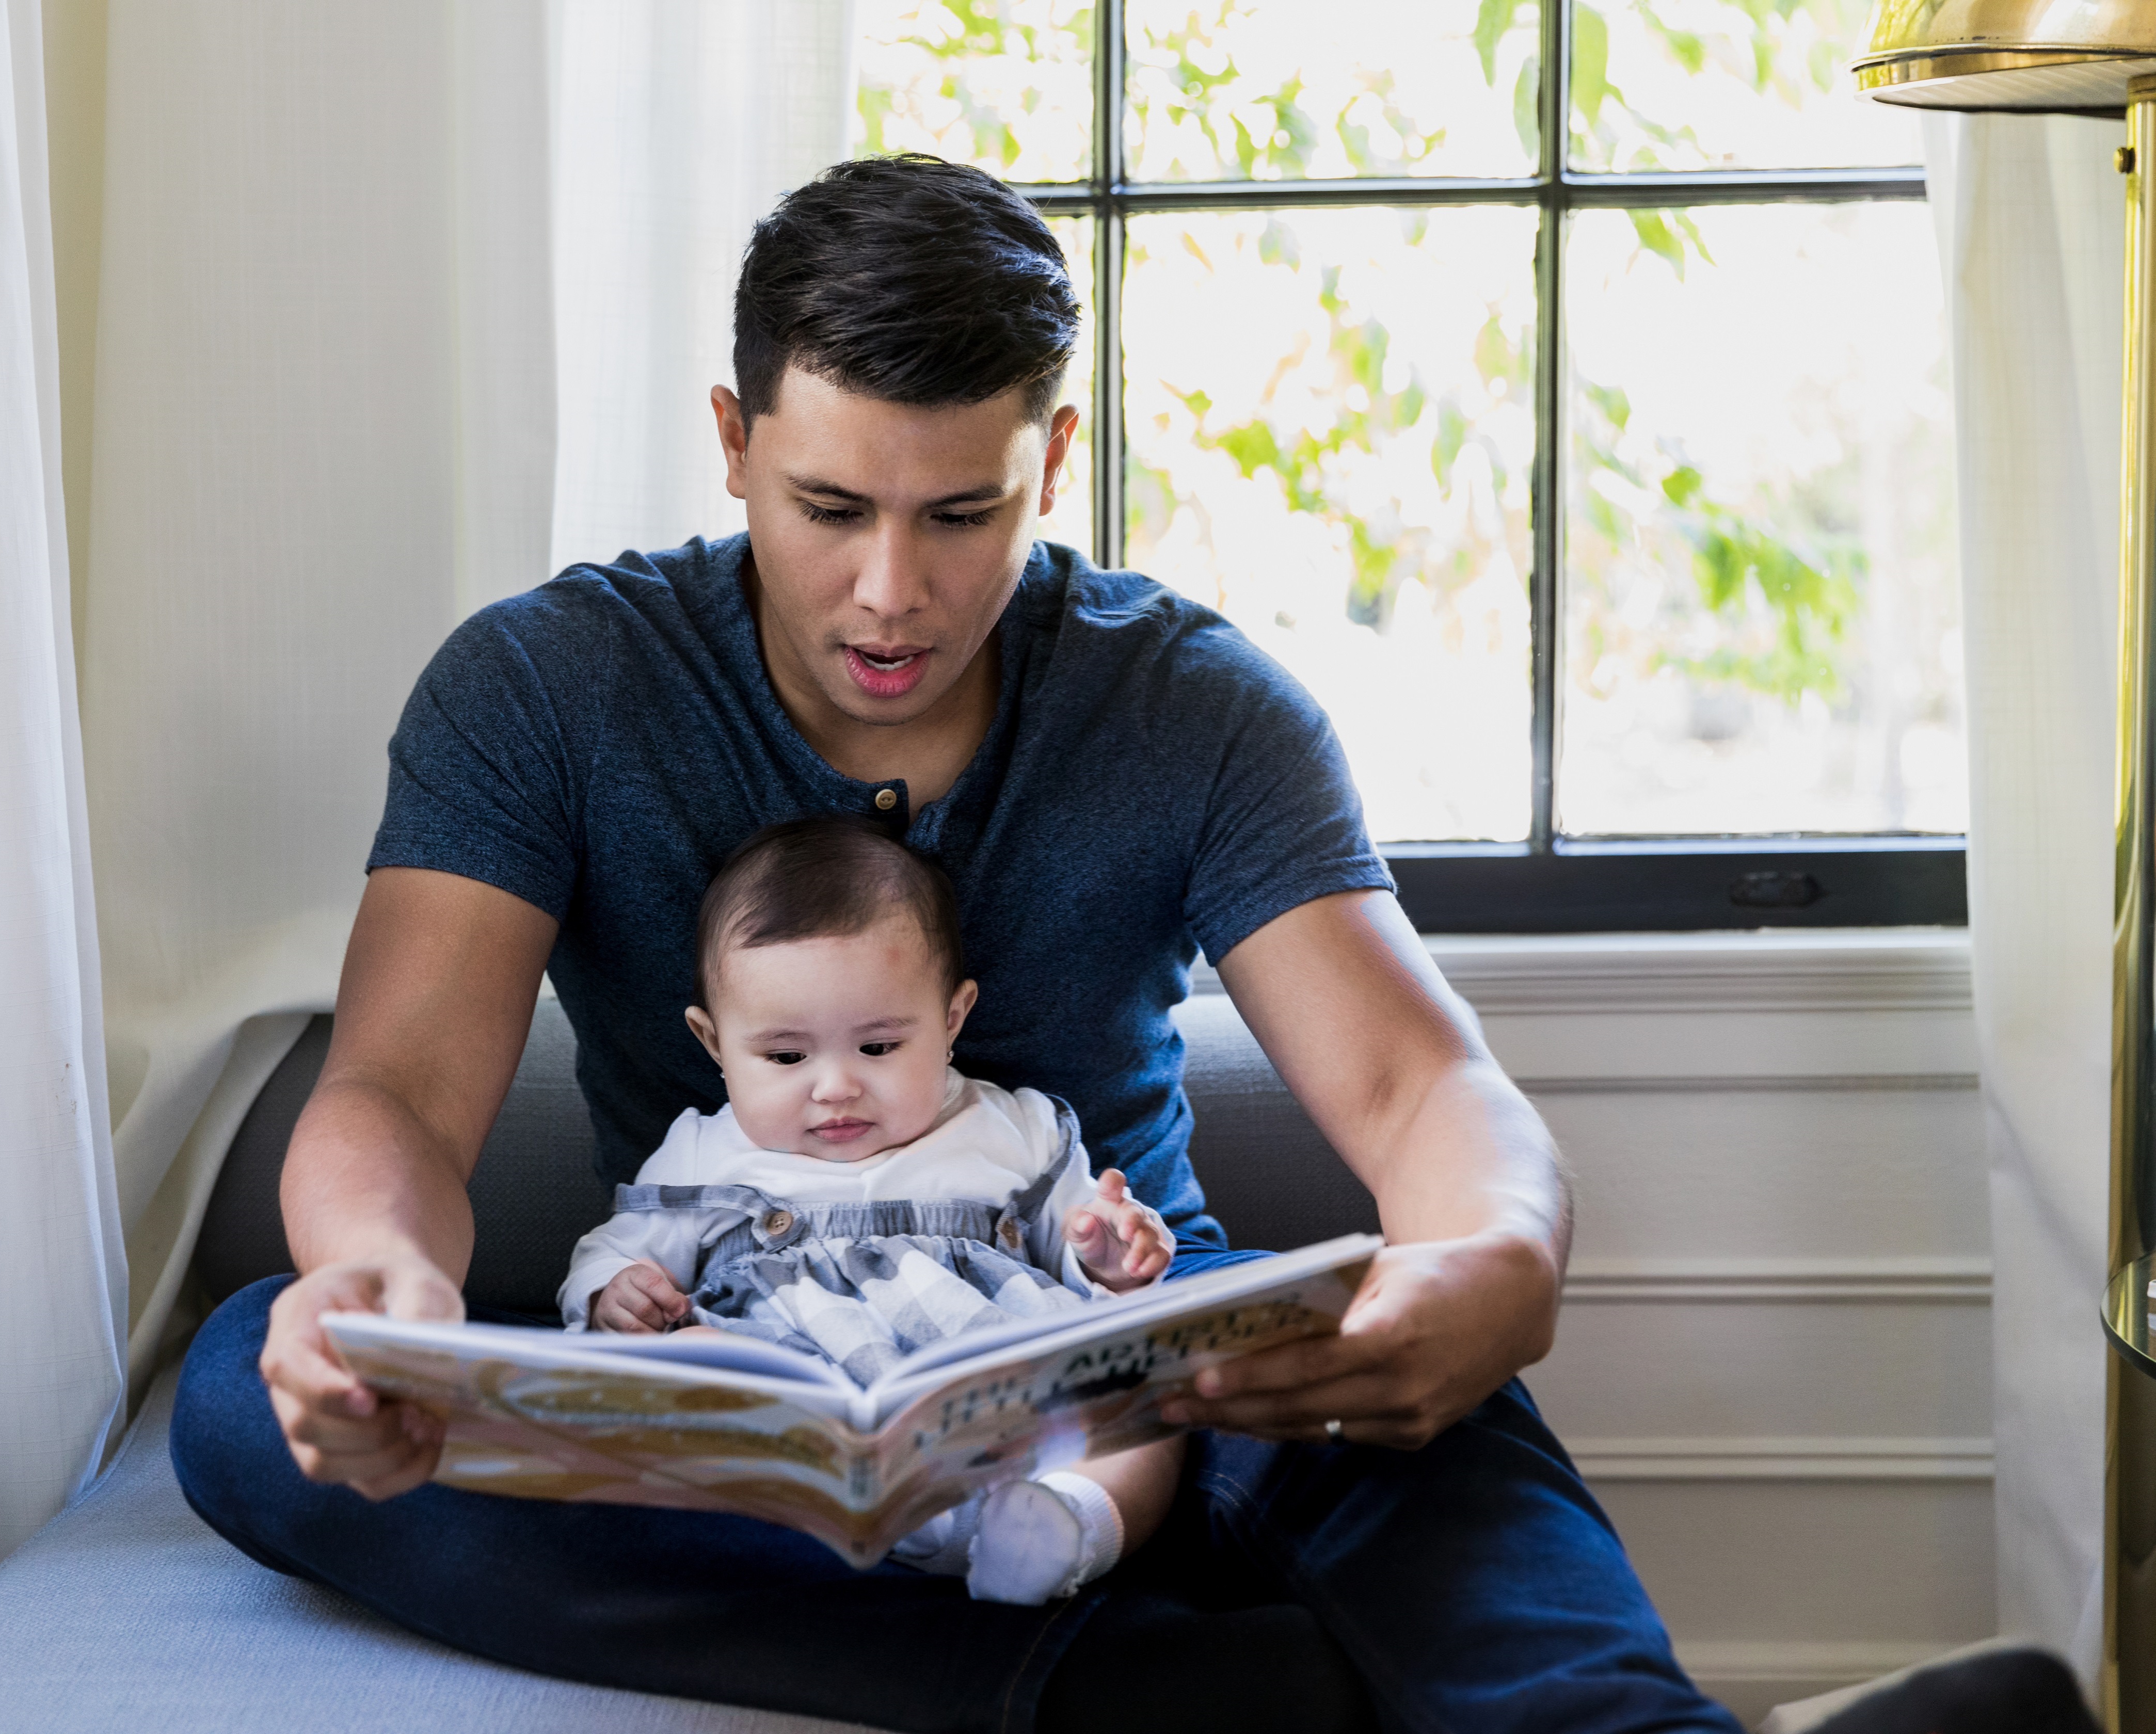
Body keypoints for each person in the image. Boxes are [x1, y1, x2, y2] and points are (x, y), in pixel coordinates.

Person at [169, 152, 1738, 1731]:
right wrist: (372, 1285)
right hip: (733, 1365)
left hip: (1122, 1367)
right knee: (251, 1384)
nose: (890, 594)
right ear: (734, 442)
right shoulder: (543, 688)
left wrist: (1500, 1253)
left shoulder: (1199, 708)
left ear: (1051, 461)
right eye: (830, 509)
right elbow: (400, 1091)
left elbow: (1415, 1087)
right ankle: (1128, 1690)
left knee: (1433, 1415)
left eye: (961, 516)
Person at [563, 814, 1185, 1605]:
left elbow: (1079, 1239)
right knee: (684, 1368)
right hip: (799, 1423)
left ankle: (1065, 1529)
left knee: (1149, 1396)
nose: (835, 1088)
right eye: (786, 1056)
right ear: (714, 1043)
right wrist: (613, 1292)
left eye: (879, 1048)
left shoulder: (1011, 1126)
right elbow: (616, 1249)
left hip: (997, 1406)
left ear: (952, 1019)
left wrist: (1111, 1256)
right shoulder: (701, 1151)